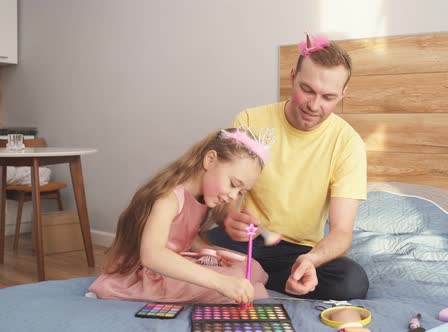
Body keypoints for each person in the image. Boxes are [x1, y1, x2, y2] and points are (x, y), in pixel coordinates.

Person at [208, 34, 369, 300]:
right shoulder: (250, 120)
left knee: (352, 282)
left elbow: (341, 232)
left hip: (299, 252)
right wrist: (227, 217)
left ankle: (256, 276)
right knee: (187, 250)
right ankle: (258, 275)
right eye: (307, 90)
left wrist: (312, 261)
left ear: (342, 94)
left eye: (328, 97)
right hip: (244, 242)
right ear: (292, 76)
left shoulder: (348, 143)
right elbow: (222, 194)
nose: (314, 105)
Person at [88, 127, 273, 304]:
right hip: (147, 274)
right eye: (233, 184)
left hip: (174, 262)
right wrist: (220, 281)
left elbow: (185, 237)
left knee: (251, 267)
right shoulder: (168, 198)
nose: (234, 196)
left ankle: (239, 285)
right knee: (236, 283)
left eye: (241, 192)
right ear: (210, 160)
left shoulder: (201, 198)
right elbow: (152, 255)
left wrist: (213, 255)